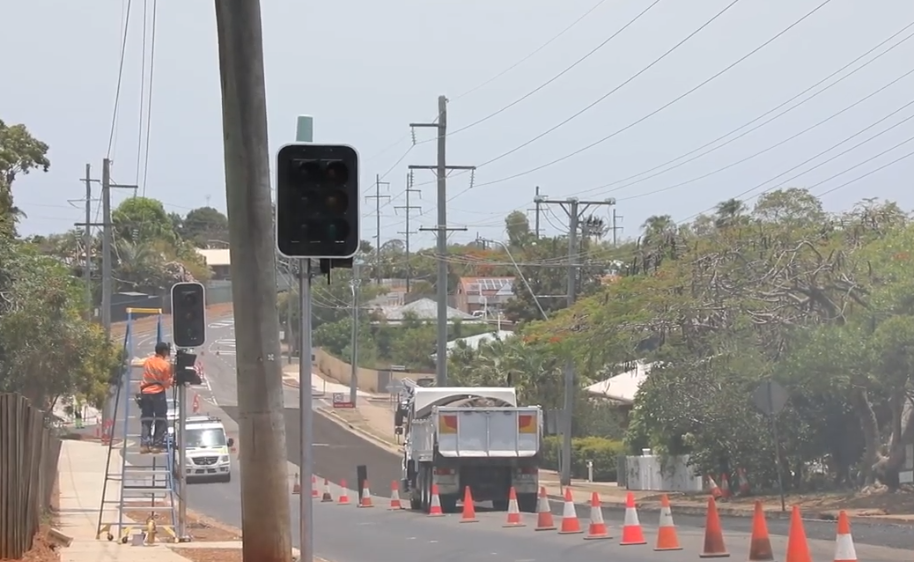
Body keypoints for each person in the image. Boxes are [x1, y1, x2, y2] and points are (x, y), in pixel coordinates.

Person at [140, 342, 173, 453]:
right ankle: (157, 445)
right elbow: (166, 384)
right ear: (164, 351)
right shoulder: (165, 365)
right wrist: (172, 380)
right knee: (161, 418)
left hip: (145, 392)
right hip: (157, 393)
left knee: (146, 418)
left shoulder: (148, 361)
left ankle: (144, 444)